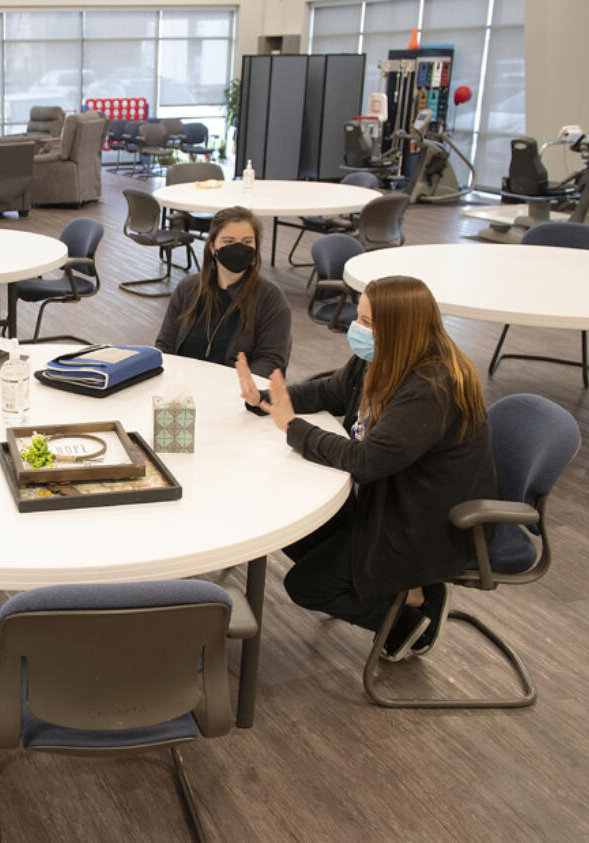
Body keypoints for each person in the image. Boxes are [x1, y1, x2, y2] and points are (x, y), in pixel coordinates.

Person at [236, 276, 497, 660]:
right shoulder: (382, 356)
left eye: (369, 322)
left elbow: (366, 461)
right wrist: (267, 398)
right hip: (386, 498)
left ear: (401, 329)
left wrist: (292, 426)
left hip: (422, 521)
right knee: (283, 525)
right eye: (360, 317)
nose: (357, 329)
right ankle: (402, 591)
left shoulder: (432, 386)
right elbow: (331, 392)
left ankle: (412, 622)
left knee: (307, 586)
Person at [154, 206, 291, 377]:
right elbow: (165, 345)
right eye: (229, 241)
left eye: (247, 241)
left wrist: (235, 387)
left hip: (236, 395)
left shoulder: (271, 298)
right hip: (182, 389)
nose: (239, 248)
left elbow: (271, 362)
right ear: (213, 247)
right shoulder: (188, 289)